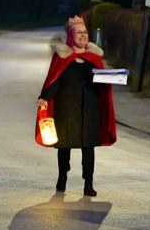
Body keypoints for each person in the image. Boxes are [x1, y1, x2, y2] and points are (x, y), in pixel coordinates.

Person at [36, 15, 116, 197]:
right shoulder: (62, 57)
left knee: (89, 147)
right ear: (71, 36)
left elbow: (101, 82)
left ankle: (88, 184)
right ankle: (62, 176)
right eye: (79, 33)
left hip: (89, 109)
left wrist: (112, 79)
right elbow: (55, 80)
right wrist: (45, 97)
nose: (83, 35)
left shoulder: (94, 58)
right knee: (64, 145)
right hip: (67, 109)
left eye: (85, 32)